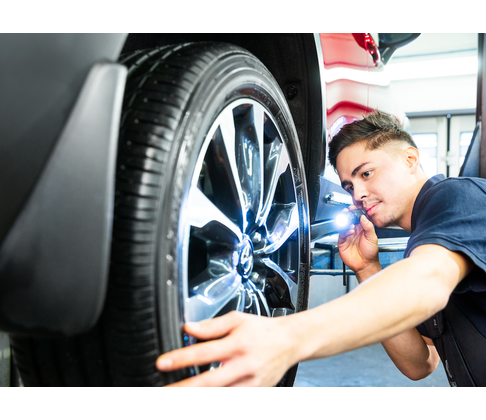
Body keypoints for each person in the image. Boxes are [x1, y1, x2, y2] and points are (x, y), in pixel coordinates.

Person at [156, 111, 486, 387]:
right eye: (349, 186)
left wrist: (286, 339)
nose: (358, 194)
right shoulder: (426, 240)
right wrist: (366, 268)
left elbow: (427, 283)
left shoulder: (455, 197)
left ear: (410, 159)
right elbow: (420, 362)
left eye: (366, 173)